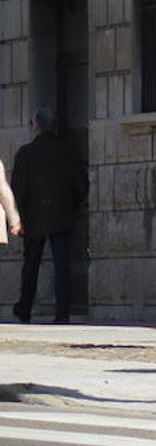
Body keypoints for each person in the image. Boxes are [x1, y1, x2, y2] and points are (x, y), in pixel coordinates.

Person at [11, 108, 88, 324]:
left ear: (36, 126)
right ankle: (62, 311)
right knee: (61, 264)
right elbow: (82, 184)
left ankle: (25, 307)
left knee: (31, 264)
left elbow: (18, 188)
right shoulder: (69, 151)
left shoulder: (26, 153)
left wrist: (19, 216)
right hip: (62, 216)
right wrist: (72, 206)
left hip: (33, 217)